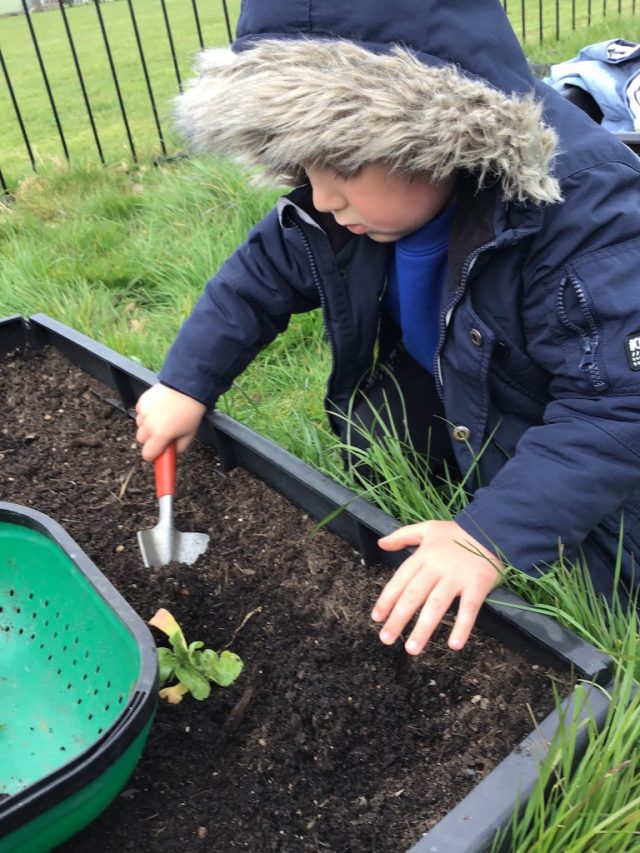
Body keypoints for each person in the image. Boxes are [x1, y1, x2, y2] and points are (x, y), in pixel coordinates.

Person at [136, 0, 640, 656]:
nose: (321, 197)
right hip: (467, 389)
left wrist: (488, 538)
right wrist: (185, 381)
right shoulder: (351, 209)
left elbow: (617, 408)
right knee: (379, 431)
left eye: (342, 166)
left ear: (436, 136)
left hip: (590, 452)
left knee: (590, 591)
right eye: (303, 164)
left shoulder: (584, 216)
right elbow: (258, 277)